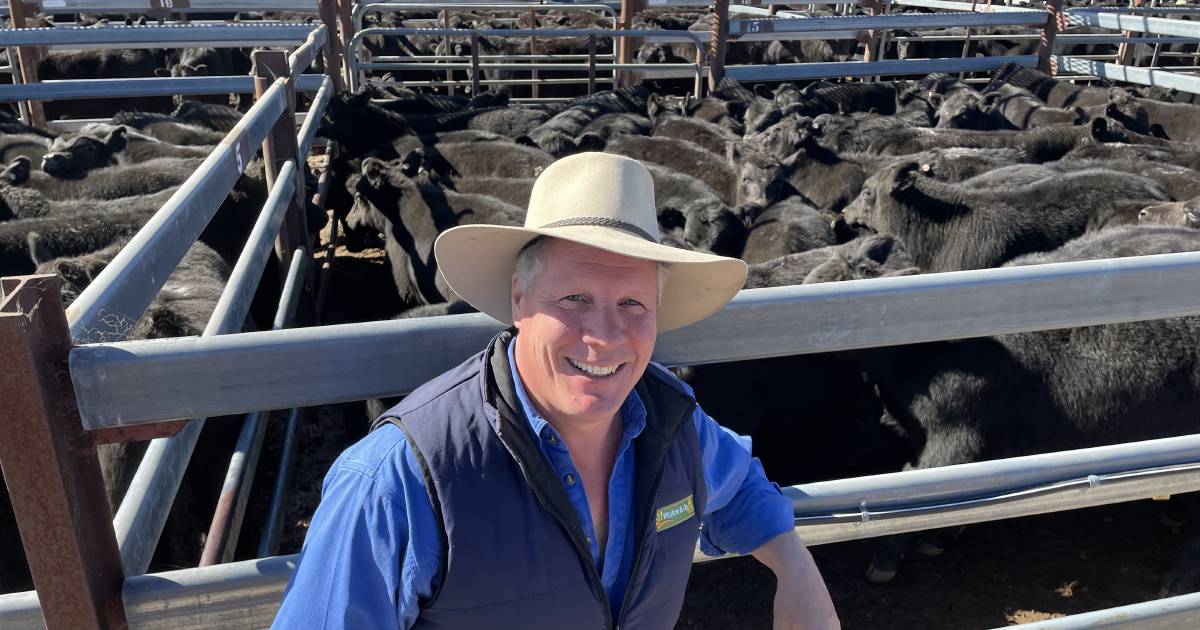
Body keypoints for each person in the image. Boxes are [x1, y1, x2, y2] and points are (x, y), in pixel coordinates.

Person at [273, 152, 840, 629]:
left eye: (633, 304)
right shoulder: (397, 479)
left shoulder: (672, 421)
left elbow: (740, 484)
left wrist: (794, 567)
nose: (604, 336)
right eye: (573, 299)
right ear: (518, 301)